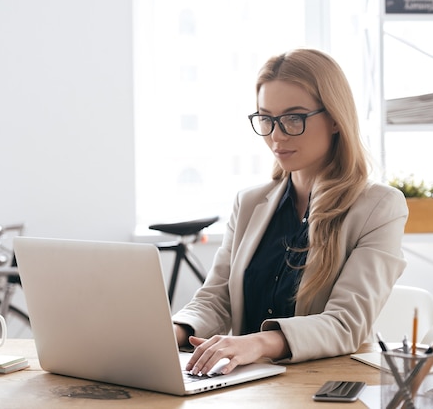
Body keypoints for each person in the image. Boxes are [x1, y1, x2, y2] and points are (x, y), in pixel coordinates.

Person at [172, 48, 408, 376]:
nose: (276, 135)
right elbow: (216, 298)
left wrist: (258, 343)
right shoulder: (249, 202)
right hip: (242, 385)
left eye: (294, 118)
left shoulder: (379, 207)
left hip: (321, 385)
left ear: (336, 119)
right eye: (266, 119)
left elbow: (345, 324)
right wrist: (175, 331)